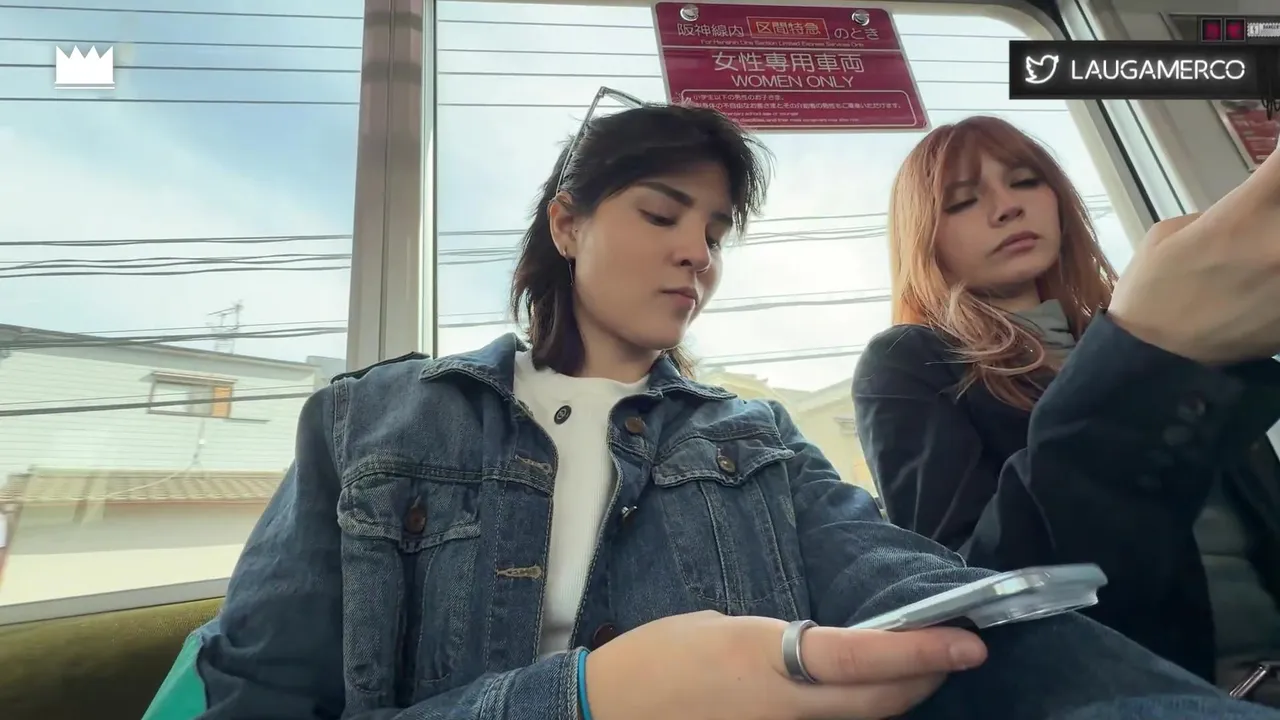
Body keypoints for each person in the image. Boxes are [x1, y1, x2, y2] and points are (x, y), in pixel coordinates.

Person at [143, 94, 1280, 720]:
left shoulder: (753, 441)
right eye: (660, 214)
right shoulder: (373, 423)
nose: (696, 251)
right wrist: (588, 698)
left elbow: (942, 611)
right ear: (566, 222)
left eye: (716, 231)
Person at [852, 115, 1280, 701]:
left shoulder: (1141, 331)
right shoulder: (912, 361)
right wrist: (1136, 362)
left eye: (1026, 181)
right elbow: (971, 588)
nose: (1008, 207)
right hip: (1157, 692)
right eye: (963, 201)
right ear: (925, 237)